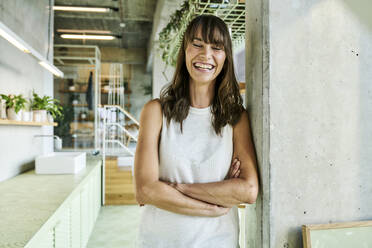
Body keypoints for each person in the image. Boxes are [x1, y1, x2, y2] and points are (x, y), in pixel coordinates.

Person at [134, 14, 259, 248]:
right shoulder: (156, 112)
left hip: (218, 242)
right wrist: (214, 204)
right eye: (198, 44)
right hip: (159, 242)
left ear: (225, 58)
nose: (206, 55)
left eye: (216, 48)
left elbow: (248, 191)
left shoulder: (236, 118)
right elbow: (145, 190)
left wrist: (177, 188)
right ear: (186, 51)